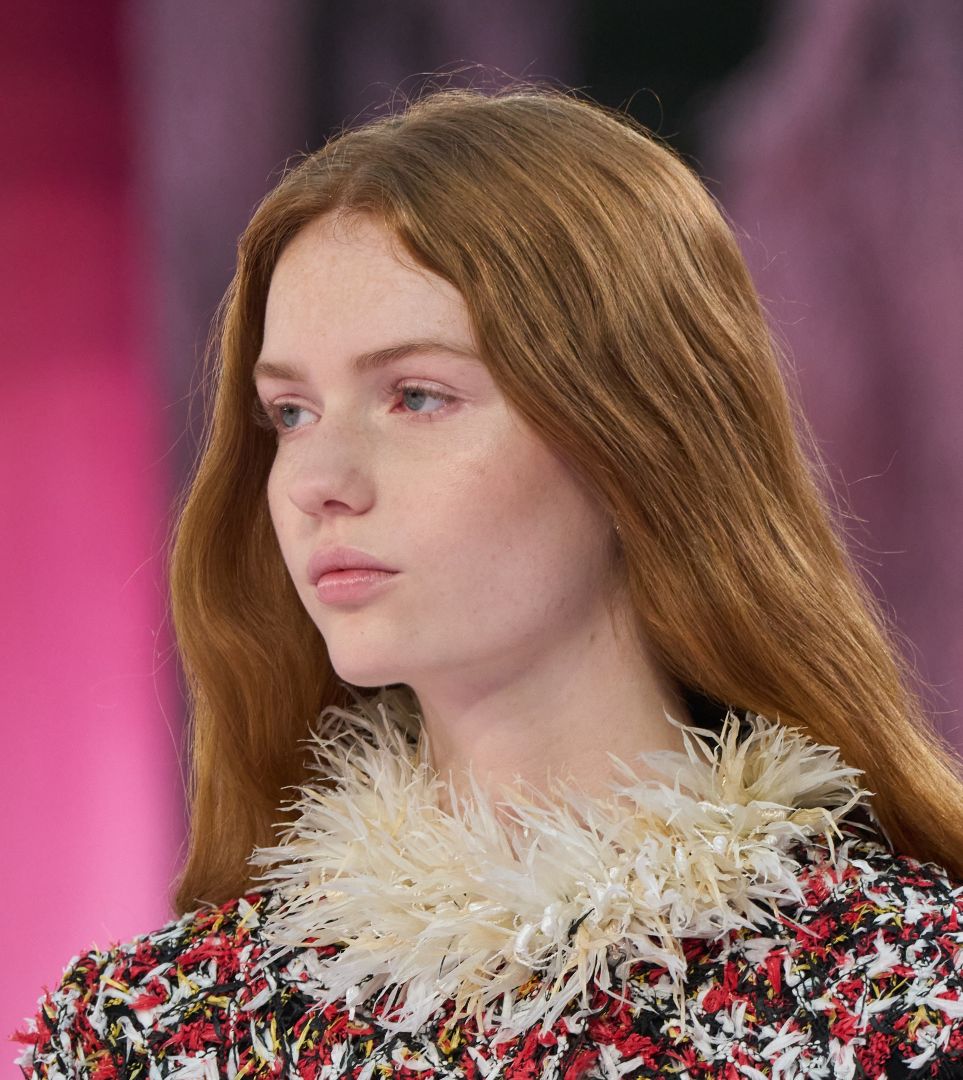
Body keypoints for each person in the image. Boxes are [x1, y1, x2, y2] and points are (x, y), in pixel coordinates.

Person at [14, 82, 963, 1078]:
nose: (315, 482)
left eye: (416, 396)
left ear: (637, 434)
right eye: (290, 413)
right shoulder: (144, 1036)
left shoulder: (919, 999)